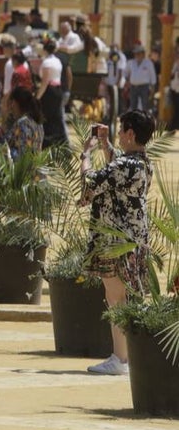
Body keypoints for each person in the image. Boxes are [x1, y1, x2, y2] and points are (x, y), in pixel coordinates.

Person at [80, 110, 155, 376]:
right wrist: (105, 145)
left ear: (131, 133)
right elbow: (118, 167)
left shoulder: (127, 165)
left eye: (122, 130)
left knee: (115, 297)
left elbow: (90, 182)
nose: (120, 134)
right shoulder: (144, 162)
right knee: (126, 296)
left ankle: (120, 358)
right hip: (134, 237)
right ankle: (126, 356)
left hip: (115, 238)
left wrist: (86, 154)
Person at [36, 38, 68, 147]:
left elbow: (45, 81)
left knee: (47, 118)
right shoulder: (57, 60)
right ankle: (62, 145)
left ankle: (47, 144)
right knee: (57, 118)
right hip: (58, 90)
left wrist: (38, 97)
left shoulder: (47, 62)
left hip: (49, 92)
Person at [3, 86, 44, 158]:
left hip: (22, 168)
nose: (11, 108)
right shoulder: (37, 123)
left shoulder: (22, 124)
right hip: (36, 166)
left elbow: (20, 153)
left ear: (14, 103)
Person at [126, 43, 156, 115]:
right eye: (136, 54)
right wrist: (127, 82)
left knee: (145, 106)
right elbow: (126, 73)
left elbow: (153, 76)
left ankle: (145, 121)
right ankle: (134, 121)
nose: (137, 55)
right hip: (133, 86)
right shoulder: (131, 63)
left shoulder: (148, 63)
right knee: (133, 106)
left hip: (144, 87)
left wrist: (153, 87)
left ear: (143, 54)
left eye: (138, 53)